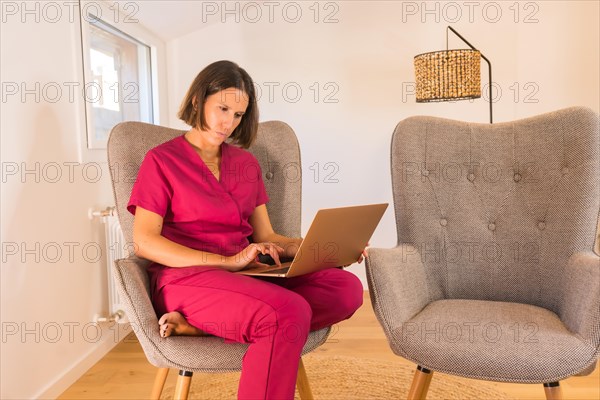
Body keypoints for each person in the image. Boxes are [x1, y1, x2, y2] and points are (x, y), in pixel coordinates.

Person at [127, 60, 364, 399]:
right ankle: (241, 324)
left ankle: (200, 328)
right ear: (197, 101)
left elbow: (268, 238)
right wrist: (227, 262)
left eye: (238, 114)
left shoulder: (245, 164)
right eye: (222, 108)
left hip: (249, 276)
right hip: (187, 278)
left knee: (346, 289)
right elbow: (144, 242)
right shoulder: (161, 161)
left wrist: (325, 247)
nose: (229, 122)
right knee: (288, 312)